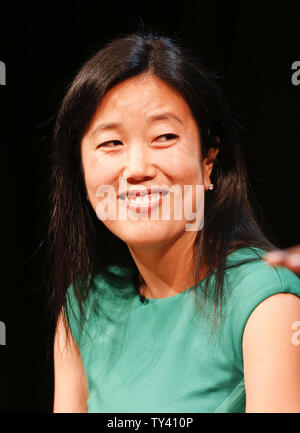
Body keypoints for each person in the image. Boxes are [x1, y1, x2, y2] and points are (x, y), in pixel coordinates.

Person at [49, 31, 300, 413]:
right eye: (111, 143)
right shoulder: (85, 307)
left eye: (164, 136)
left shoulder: (268, 300)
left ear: (208, 160)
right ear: (81, 173)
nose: (137, 169)